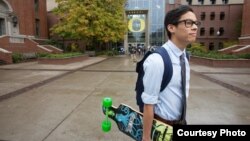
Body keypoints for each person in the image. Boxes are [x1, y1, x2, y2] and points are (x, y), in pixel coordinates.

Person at [141, 5, 200, 141]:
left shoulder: (184, 57)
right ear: (171, 28)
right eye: (188, 23)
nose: (195, 27)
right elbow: (149, 104)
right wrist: (146, 137)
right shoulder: (157, 60)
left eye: (196, 23)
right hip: (162, 127)